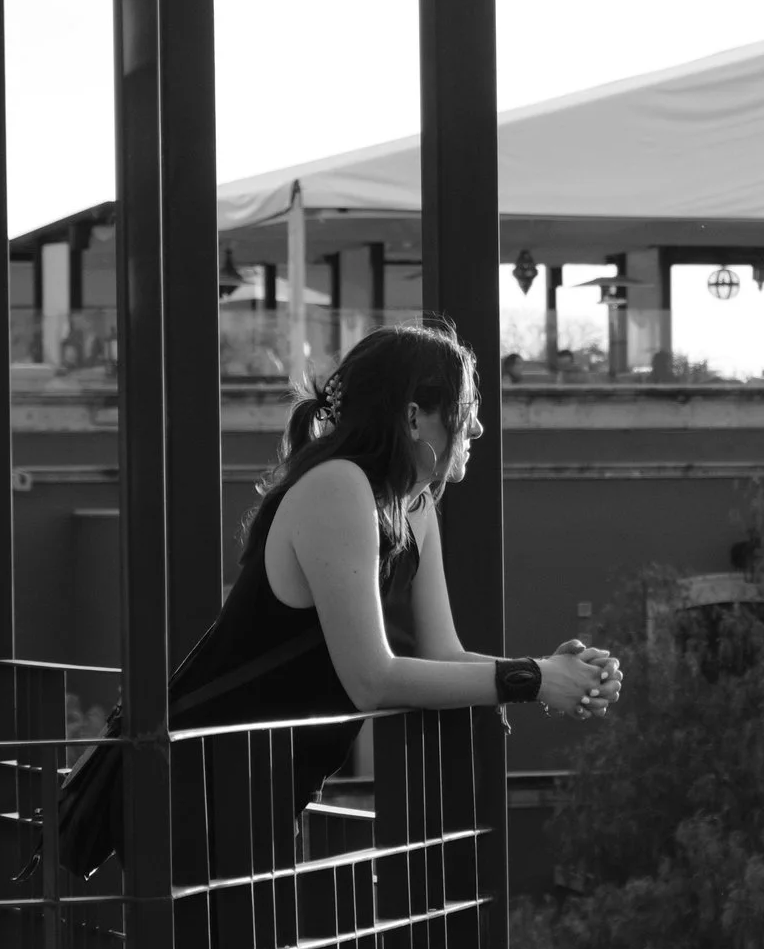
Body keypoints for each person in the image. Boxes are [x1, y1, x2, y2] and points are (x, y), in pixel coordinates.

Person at [55, 324, 621, 876]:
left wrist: (555, 673)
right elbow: (371, 679)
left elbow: (444, 655)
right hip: (203, 786)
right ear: (413, 415)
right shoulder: (339, 487)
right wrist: (531, 678)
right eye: (464, 405)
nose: (475, 427)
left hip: (259, 789)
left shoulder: (413, 509)